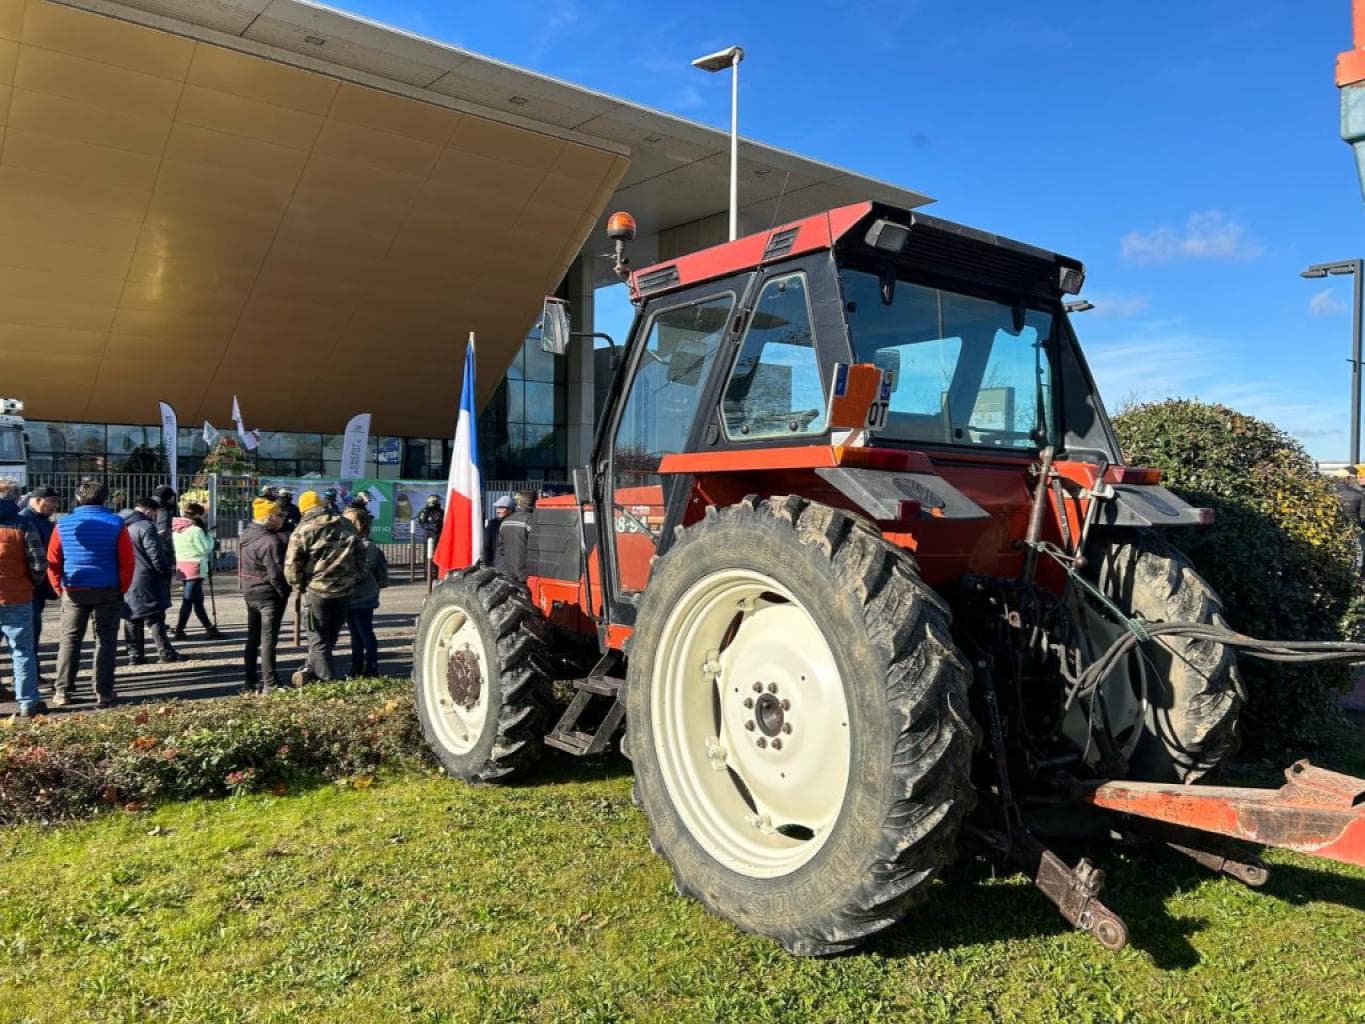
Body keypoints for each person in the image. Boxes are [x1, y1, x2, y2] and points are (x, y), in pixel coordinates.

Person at [47, 478, 135, 708]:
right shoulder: (116, 523)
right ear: (105, 499)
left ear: (78, 498)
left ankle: (63, 691)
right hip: (107, 587)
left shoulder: (63, 524)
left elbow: (53, 560)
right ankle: (104, 692)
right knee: (106, 641)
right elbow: (127, 561)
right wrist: (121, 587)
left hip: (74, 588)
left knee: (69, 640)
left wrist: (58, 586)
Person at [285, 490, 362, 685]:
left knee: (317, 637)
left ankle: (326, 681)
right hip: (344, 590)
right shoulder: (345, 523)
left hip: (317, 590)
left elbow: (292, 564)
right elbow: (361, 554)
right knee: (330, 636)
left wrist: (298, 585)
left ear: (304, 510)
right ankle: (311, 670)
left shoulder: (304, 529)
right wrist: (354, 578)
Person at [0, 476, 48, 717]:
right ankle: (28, 701)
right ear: (17, 498)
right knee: (22, 651)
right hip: (17, 595)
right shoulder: (23, 525)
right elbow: (39, 563)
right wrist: (31, 583)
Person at [238, 497, 291, 694]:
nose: (283, 518)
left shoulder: (247, 535)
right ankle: (270, 683)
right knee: (268, 639)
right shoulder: (269, 541)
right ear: (269, 518)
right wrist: (284, 592)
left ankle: (250, 679)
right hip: (268, 594)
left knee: (253, 637)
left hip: (250, 590)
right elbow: (275, 573)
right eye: (279, 515)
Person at [121, 497, 180, 665]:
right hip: (146, 577)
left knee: (131, 616)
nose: (155, 516)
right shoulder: (145, 526)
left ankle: (135, 654)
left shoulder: (122, 525)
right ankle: (165, 652)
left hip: (127, 576)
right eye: (154, 513)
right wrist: (166, 569)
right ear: (148, 511)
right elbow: (155, 555)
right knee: (154, 615)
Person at [343, 506, 388, 678]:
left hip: (364, 596)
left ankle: (372, 667)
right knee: (354, 634)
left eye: (352, 522)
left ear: (362, 525)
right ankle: (356, 667)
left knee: (365, 632)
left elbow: (361, 571)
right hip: (350, 596)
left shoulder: (367, 545)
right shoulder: (348, 542)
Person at [18, 485, 58, 661]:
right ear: (37, 500)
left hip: (37, 587)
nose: (55, 506)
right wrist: (36, 580)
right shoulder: (26, 521)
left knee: (33, 631)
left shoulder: (42, 521)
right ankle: (31, 676)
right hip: (29, 587)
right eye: (51, 501)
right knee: (30, 632)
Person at [172, 501, 223, 640]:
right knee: (189, 599)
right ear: (197, 514)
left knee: (196, 599)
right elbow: (205, 548)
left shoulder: (177, 528)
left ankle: (208, 627)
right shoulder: (196, 529)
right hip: (195, 566)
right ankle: (180, 629)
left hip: (182, 565)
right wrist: (209, 536)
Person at [493, 490, 535, 583]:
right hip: (526, 576)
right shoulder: (532, 520)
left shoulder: (505, 522)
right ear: (534, 502)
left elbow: (501, 549)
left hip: (508, 574)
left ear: (519, 502)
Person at [484, 495, 514, 561]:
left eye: (501, 508)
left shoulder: (516, 524)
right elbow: (486, 544)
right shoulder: (492, 524)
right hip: (495, 562)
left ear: (510, 510)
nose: (498, 511)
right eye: (497, 508)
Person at [152, 485, 178, 553]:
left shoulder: (152, 504)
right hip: (162, 543)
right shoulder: (163, 510)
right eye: (171, 497)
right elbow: (162, 530)